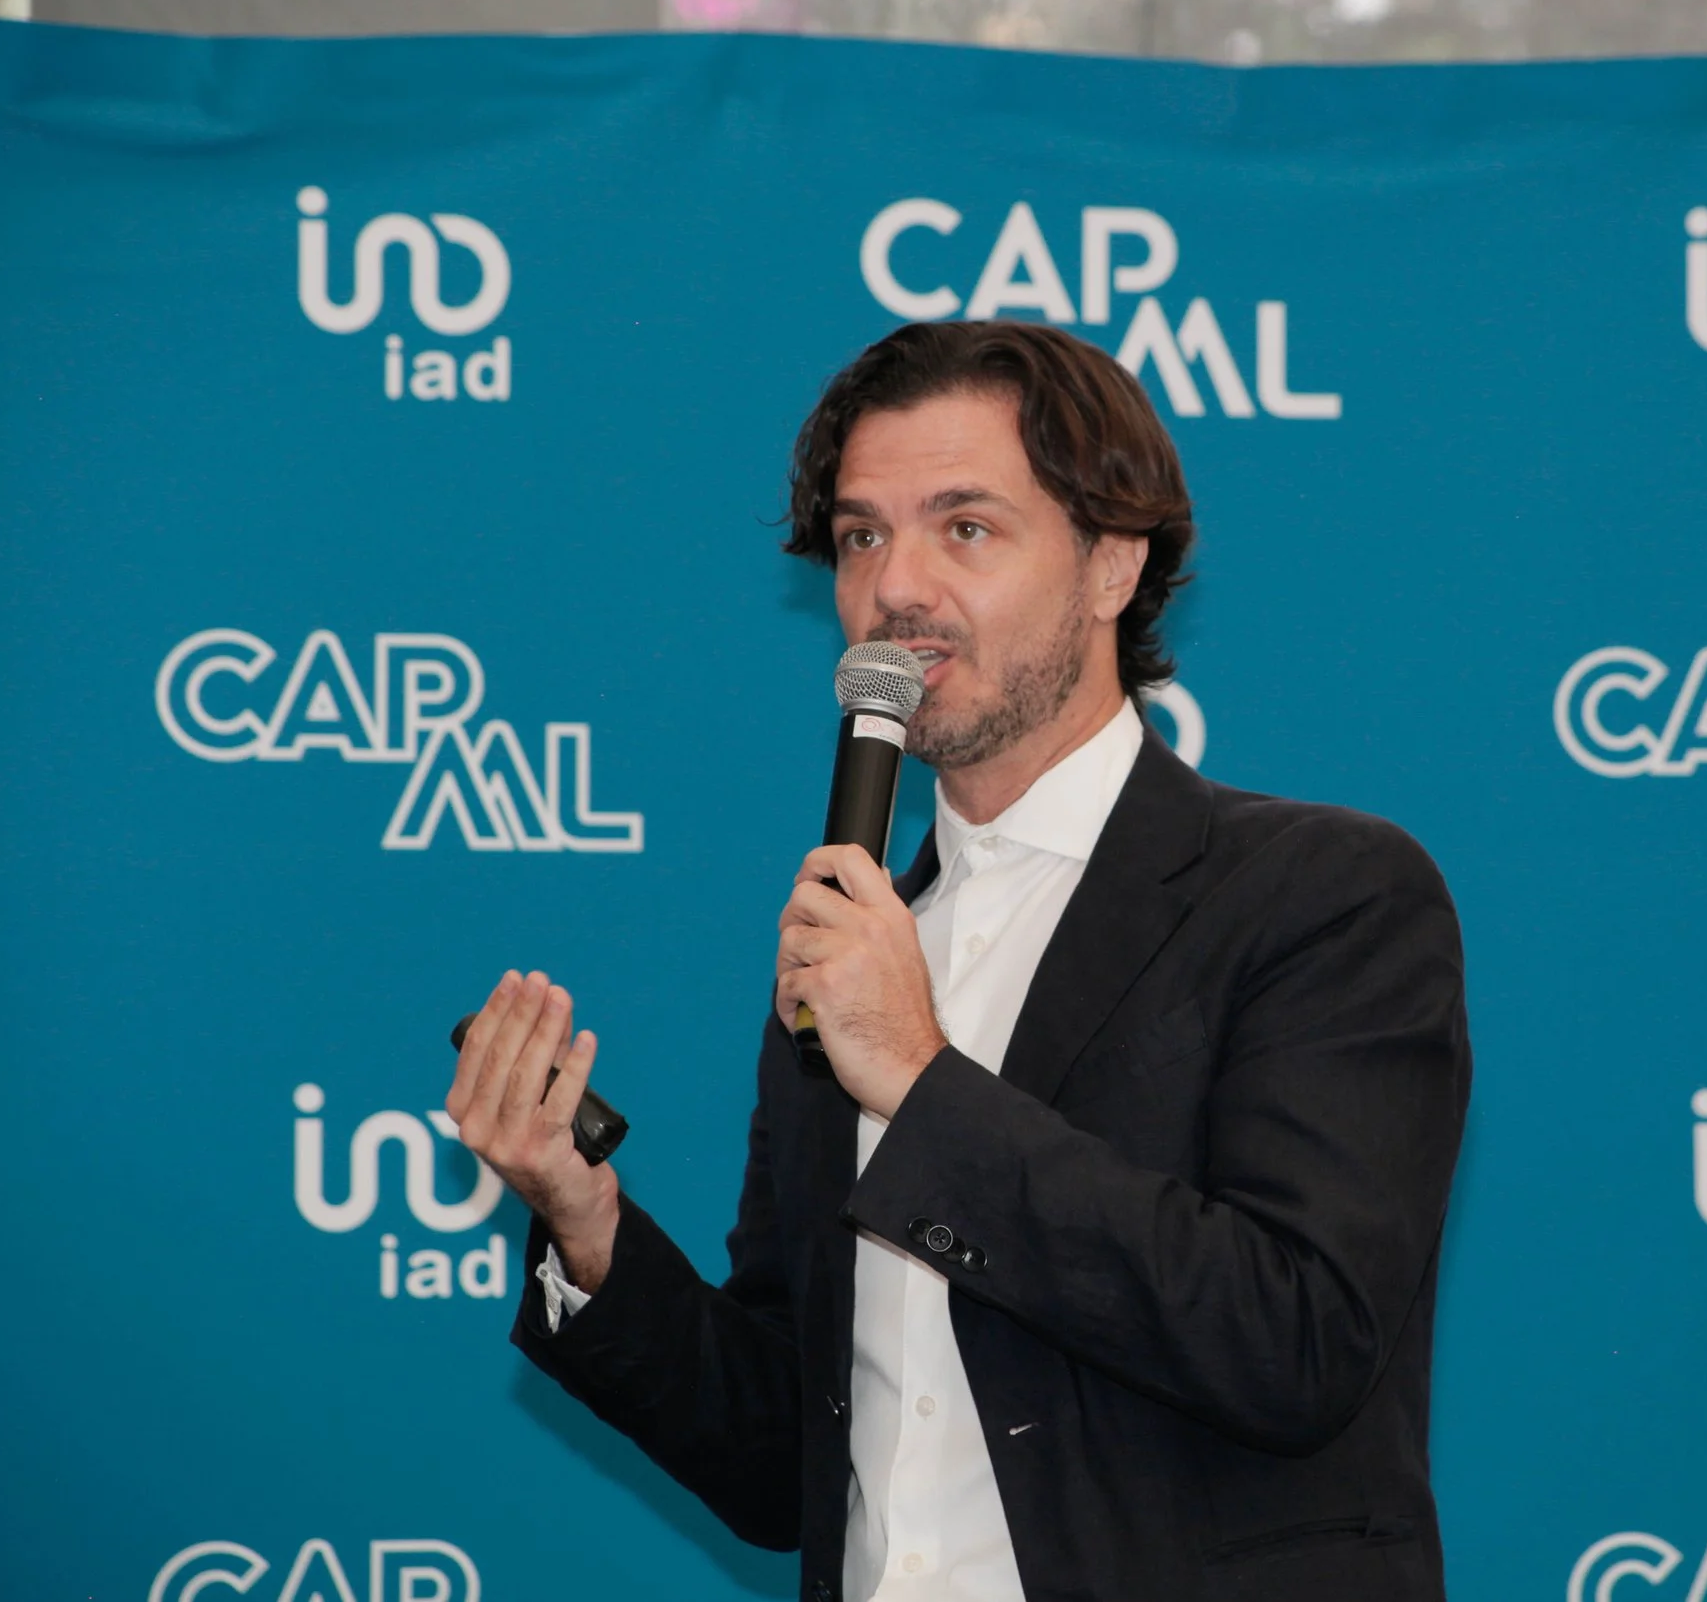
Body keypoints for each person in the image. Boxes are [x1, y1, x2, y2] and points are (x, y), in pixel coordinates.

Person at [446, 321, 1471, 1602]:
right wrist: (585, 1221)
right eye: (862, 534)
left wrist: (920, 1078)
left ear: (1112, 565)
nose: (897, 587)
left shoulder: (1321, 893)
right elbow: (788, 1462)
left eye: (965, 526)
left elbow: (1295, 1342)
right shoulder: (853, 943)